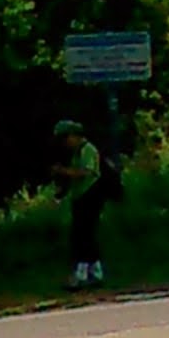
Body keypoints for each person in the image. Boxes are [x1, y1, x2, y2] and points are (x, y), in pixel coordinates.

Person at [50, 120, 105, 289]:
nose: (66, 143)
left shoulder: (88, 150)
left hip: (90, 194)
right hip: (81, 196)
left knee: (82, 234)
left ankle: (81, 274)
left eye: (66, 138)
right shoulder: (77, 153)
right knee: (84, 234)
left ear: (75, 135)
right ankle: (95, 272)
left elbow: (86, 172)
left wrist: (63, 171)